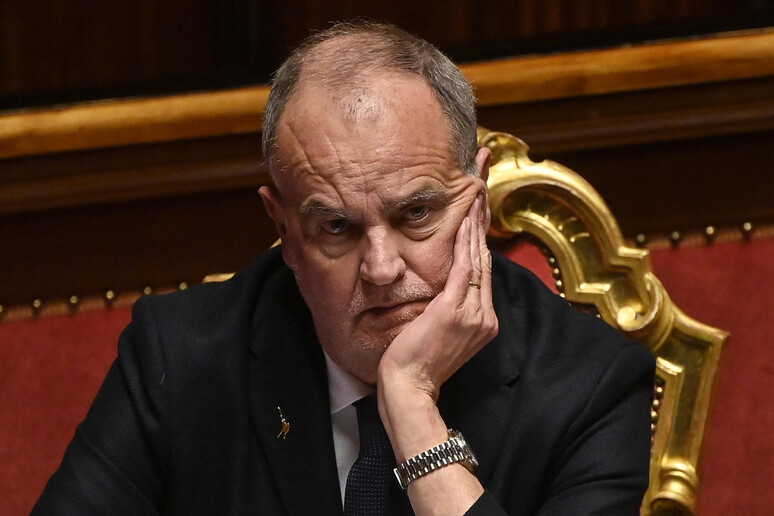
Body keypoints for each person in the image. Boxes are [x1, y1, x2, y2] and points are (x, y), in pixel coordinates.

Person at [33, 22, 654, 515]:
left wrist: (411, 405)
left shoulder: (589, 386)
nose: (382, 269)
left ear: (479, 198)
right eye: (337, 227)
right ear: (285, 230)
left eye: (416, 213)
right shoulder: (182, 357)